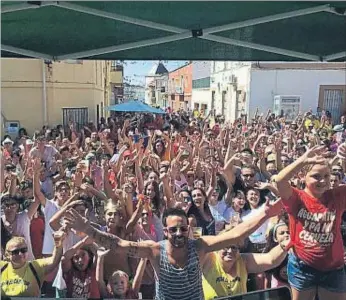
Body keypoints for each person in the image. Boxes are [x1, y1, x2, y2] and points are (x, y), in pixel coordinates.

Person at [64, 199, 283, 300]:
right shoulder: (155, 250)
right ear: (166, 231)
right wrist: (88, 229)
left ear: (188, 229)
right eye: (173, 229)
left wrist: (265, 213)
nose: (178, 233)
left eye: (182, 229)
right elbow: (120, 244)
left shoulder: (200, 246)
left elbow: (236, 234)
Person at [275, 144, 346, 300]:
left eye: (327, 176)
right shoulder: (296, 198)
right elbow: (279, 180)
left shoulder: (336, 196)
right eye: (316, 176)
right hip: (302, 267)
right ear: (303, 177)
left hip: (333, 269)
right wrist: (303, 160)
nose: (323, 181)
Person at [201, 224, 289, 299]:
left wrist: (284, 245)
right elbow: (197, 246)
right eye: (226, 247)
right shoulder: (208, 259)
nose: (230, 251)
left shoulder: (243, 261)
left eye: (234, 247)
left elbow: (271, 259)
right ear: (217, 247)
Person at [0, 231, 65, 297]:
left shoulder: (35, 266)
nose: (20, 254)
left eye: (23, 250)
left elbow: (53, 261)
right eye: (15, 252)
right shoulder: (2, 267)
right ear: (7, 255)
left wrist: (58, 242)